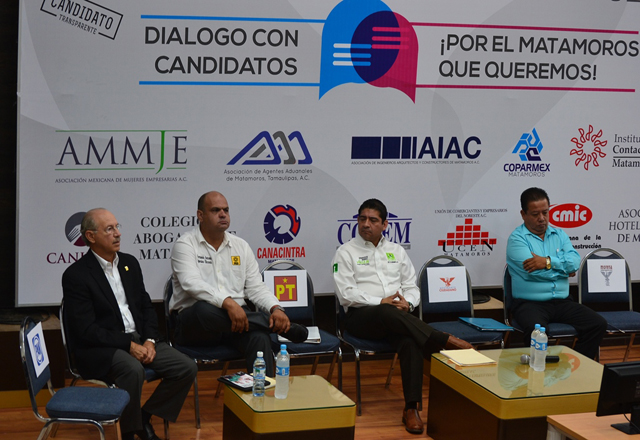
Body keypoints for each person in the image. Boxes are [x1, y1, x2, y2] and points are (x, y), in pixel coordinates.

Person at [332, 198, 473, 435]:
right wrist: (380, 302)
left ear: (385, 224)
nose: (366, 224)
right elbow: (346, 294)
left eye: (373, 220)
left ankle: (411, 409)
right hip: (360, 318)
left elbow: (411, 286)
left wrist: (409, 303)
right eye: (362, 219)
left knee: (410, 341)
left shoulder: (396, 251)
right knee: (386, 310)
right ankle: (441, 339)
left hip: (396, 318)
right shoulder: (345, 252)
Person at [62, 209, 197, 440]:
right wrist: (129, 345)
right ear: (91, 236)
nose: (118, 234)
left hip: (140, 338)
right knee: (132, 370)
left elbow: (146, 307)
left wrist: (150, 340)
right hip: (101, 348)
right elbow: (86, 330)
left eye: (117, 227)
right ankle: (129, 433)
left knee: (186, 367)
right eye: (109, 229)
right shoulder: (76, 275)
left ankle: (142, 418)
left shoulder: (129, 264)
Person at [170, 191, 308, 377]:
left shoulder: (240, 246)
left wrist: (275, 308)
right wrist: (228, 303)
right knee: (203, 309)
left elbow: (256, 288)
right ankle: (274, 326)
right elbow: (191, 283)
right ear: (200, 215)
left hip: (238, 324)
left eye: (226, 210)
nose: (223, 214)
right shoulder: (185, 245)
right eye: (216, 210)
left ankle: (264, 391)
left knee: (259, 337)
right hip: (197, 328)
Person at [506, 187, 607, 359]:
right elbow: (533, 273)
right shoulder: (517, 239)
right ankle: (538, 371)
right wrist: (563, 271)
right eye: (535, 214)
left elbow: (574, 262)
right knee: (536, 332)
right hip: (529, 304)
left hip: (562, 302)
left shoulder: (559, 235)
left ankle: (578, 367)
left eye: (545, 212)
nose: (542, 218)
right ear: (523, 214)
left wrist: (547, 262)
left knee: (597, 324)